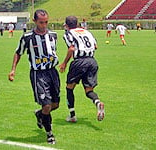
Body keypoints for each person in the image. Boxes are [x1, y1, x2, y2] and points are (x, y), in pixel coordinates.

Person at [8, 9, 60, 144]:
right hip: (38, 74)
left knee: (55, 104)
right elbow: (18, 52)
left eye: (46, 22)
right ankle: (49, 134)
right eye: (41, 22)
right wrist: (13, 69)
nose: (44, 25)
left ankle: (39, 114)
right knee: (47, 105)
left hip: (52, 73)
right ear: (35, 21)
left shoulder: (53, 35)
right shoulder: (27, 37)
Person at [59, 16, 105, 123]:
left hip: (79, 62)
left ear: (66, 25)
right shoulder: (86, 32)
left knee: (69, 88)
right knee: (89, 90)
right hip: (92, 61)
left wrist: (64, 63)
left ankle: (72, 115)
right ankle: (97, 102)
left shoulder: (68, 33)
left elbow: (71, 48)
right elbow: (95, 46)